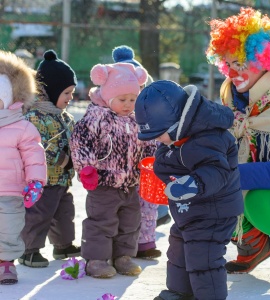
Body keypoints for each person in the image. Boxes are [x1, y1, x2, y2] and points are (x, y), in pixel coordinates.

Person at [206, 7, 270, 287]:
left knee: (264, 203)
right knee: (211, 188)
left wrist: (229, 172)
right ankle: (254, 243)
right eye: (229, 63)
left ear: (268, 60)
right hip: (266, 180)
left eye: (243, 63)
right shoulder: (237, 101)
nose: (234, 72)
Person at [135, 80, 244, 300]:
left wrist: (189, 185)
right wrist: (160, 173)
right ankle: (179, 291)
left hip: (215, 212)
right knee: (178, 248)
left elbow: (218, 172)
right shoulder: (174, 139)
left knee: (203, 258)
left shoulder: (210, 138)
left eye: (159, 134)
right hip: (190, 211)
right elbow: (167, 160)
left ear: (178, 123)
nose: (158, 140)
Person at [69, 61, 157, 278]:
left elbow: (149, 143)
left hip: (130, 183)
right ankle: (96, 259)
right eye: (122, 99)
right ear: (108, 97)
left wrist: (152, 163)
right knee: (101, 222)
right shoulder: (97, 117)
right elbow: (80, 142)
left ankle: (123, 257)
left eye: (132, 99)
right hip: (103, 183)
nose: (128, 104)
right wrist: (87, 167)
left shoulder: (138, 120)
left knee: (130, 222)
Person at [19, 49, 80, 268]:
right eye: (67, 93)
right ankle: (29, 250)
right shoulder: (34, 116)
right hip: (42, 180)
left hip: (63, 179)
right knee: (39, 214)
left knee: (65, 213)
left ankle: (63, 245)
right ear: (51, 91)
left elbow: (75, 141)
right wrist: (64, 159)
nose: (70, 98)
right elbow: (40, 145)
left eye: (72, 93)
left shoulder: (66, 117)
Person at [0, 50, 47, 284]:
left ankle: (6, 263)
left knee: (9, 228)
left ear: (8, 98)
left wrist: (35, 181)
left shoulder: (22, 127)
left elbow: (34, 155)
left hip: (10, 192)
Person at [112, 44, 162, 259]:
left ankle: (146, 243)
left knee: (148, 208)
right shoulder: (111, 117)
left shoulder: (153, 115)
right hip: (121, 175)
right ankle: (123, 245)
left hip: (147, 171)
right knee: (126, 212)